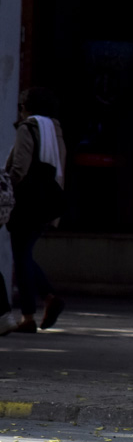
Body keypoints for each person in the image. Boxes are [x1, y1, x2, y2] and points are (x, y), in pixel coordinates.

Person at [6, 87, 67, 333]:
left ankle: (28, 315)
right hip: (47, 201)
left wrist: (6, 189)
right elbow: (60, 166)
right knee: (25, 254)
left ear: (27, 108)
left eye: (21, 107)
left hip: (26, 202)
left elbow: (19, 168)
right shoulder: (55, 130)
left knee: (21, 257)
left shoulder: (27, 128)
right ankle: (49, 297)